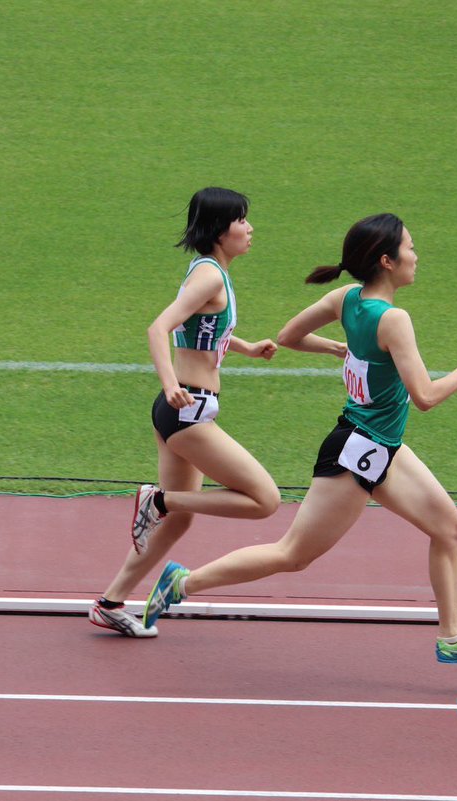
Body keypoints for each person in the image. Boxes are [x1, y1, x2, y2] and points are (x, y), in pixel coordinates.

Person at [141, 212, 457, 664]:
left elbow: (289, 336)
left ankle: (452, 638)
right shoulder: (393, 319)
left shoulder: (346, 298)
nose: (416, 255)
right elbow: (426, 397)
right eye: (410, 247)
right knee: (293, 555)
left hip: (382, 446)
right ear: (387, 261)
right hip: (357, 451)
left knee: (448, 528)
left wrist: (338, 346)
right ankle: (183, 583)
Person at [88, 187, 282, 638]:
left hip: (180, 411)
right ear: (220, 230)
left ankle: (110, 602)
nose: (250, 229)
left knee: (178, 523)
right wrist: (172, 385)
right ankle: (156, 499)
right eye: (242, 221)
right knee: (264, 500)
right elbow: (159, 328)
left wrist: (246, 347)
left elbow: (203, 328)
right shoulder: (210, 277)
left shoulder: (209, 271)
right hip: (188, 409)